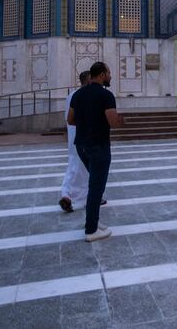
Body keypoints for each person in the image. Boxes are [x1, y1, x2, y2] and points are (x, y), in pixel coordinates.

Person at [67, 61, 125, 242]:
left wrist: (86, 123)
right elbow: (113, 122)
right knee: (96, 187)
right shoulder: (106, 95)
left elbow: (71, 120)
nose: (110, 76)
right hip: (98, 145)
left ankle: (94, 220)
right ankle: (91, 230)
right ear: (101, 75)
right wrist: (120, 121)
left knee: (94, 185)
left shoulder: (78, 94)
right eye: (109, 73)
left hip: (81, 145)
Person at [58, 71, 90, 213]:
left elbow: (68, 118)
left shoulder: (71, 95)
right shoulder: (84, 96)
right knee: (86, 168)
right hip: (84, 138)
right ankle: (88, 197)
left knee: (73, 167)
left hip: (74, 139)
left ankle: (66, 194)